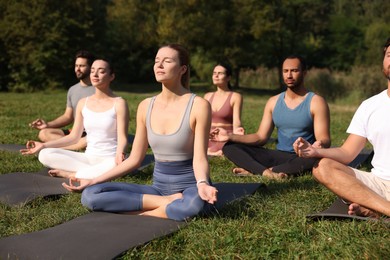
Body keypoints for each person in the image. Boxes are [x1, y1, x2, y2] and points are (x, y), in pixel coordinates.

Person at [63, 44, 218, 221]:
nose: (159, 65)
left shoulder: (198, 105)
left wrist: (203, 184)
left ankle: (144, 213)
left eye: (166, 61)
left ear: (182, 69)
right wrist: (93, 181)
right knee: (91, 194)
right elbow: (135, 159)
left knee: (195, 204)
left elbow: (200, 158)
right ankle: (166, 203)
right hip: (158, 189)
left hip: (190, 187)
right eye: (156, 61)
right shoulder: (146, 106)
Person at [294, 38, 390, 218]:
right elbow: (347, 153)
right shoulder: (370, 105)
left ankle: (374, 208)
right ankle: (383, 208)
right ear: (383, 61)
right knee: (322, 167)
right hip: (377, 183)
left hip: (375, 193)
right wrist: (314, 152)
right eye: (389, 55)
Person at [210, 55, 331, 180]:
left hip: (302, 156)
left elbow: (325, 139)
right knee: (230, 147)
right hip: (278, 155)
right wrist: (229, 136)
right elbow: (260, 137)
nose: (289, 75)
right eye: (285, 71)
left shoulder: (316, 102)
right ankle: (268, 173)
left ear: (304, 73)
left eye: (294, 71)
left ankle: (258, 170)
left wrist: (319, 144)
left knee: (315, 159)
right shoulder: (273, 102)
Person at [21, 58, 129, 179]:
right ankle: (93, 173)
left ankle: (72, 174)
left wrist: (120, 154)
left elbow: (123, 137)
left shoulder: (119, 103)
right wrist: (44, 145)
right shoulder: (83, 103)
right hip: (87, 158)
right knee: (45, 154)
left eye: (101, 71)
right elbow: (73, 137)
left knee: (114, 165)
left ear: (111, 76)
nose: (95, 74)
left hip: (109, 158)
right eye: (93, 70)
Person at [29, 50, 96, 150]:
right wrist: (47, 124)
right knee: (44, 133)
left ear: (91, 68)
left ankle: (70, 145)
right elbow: (67, 117)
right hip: (75, 132)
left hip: (92, 133)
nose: (78, 69)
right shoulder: (72, 90)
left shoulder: (98, 89)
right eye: (76, 65)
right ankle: (75, 145)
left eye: (82, 66)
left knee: (89, 139)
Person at [204, 62, 244, 156]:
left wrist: (237, 136)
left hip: (225, 137)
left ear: (228, 77)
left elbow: (236, 121)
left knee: (229, 149)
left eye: (220, 73)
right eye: (214, 73)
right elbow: (203, 121)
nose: (216, 76)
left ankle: (215, 152)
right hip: (209, 136)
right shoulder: (207, 96)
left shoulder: (235, 96)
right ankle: (211, 152)